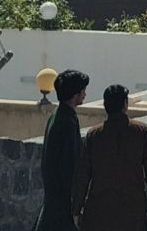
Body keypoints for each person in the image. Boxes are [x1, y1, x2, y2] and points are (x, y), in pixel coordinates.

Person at [72, 84, 147, 230]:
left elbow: (83, 175)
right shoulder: (140, 132)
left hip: (100, 212)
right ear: (125, 105)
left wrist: (76, 209)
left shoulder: (94, 135)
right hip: (132, 212)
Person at [33, 68, 89, 231]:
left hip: (54, 201)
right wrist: (76, 204)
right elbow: (69, 165)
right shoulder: (67, 122)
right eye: (83, 91)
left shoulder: (58, 116)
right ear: (75, 94)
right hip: (62, 207)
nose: (85, 95)